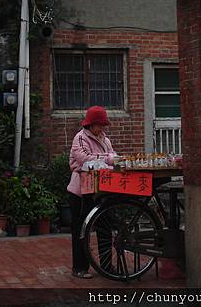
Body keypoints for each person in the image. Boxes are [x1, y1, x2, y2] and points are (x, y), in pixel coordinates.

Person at [67, 105, 117, 279]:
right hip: (80, 191)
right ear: (91, 124)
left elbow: (114, 158)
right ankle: (79, 267)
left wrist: (109, 159)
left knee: (105, 227)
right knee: (81, 229)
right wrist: (108, 159)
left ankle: (106, 266)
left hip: (101, 190)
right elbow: (84, 159)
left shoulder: (105, 140)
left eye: (103, 125)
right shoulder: (80, 138)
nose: (102, 128)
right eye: (99, 124)